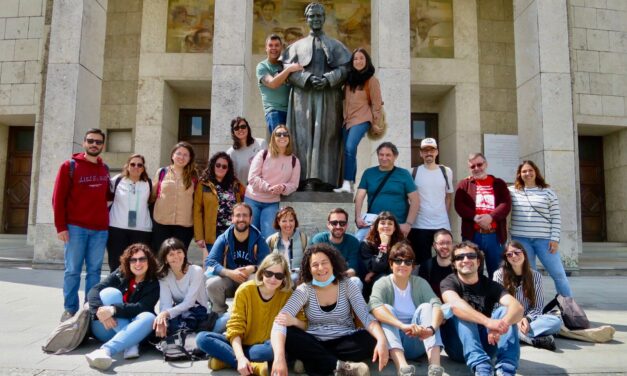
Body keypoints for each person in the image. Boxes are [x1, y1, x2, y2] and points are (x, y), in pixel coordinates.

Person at [270, 243, 389, 376]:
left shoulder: (347, 284)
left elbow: (366, 317)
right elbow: (278, 322)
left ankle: (312, 361)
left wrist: (381, 340)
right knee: (289, 333)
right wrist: (279, 359)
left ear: (333, 263)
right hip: (314, 340)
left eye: (324, 262)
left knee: (371, 339)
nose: (320, 268)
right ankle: (341, 367)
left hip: (344, 341)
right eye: (315, 265)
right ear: (309, 269)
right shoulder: (304, 290)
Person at [280, 2, 352, 189]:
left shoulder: (336, 45)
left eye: (319, 16)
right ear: (307, 19)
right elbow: (286, 71)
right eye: (312, 16)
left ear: (324, 18)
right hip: (302, 99)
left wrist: (329, 79)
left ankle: (327, 181)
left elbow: (346, 68)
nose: (315, 19)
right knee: (301, 137)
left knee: (327, 136)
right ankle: (302, 180)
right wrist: (306, 78)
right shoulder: (295, 47)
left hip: (328, 98)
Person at [196, 253, 306, 374]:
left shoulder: (288, 294)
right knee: (202, 339)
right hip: (242, 341)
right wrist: (240, 357)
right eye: (269, 273)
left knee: (271, 351)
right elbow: (235, 328)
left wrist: (294, 321)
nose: (273, 279)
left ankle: (225, 360)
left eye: (279, 275)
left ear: (284, 277)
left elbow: (304, 324)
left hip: (266, 346)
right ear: (262, 272)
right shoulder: (245, 290)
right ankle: (252, 366)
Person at [53, 128, 111, 322]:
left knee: (94, 272)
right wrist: (60, 226)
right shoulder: (69, 166)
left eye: (98, 142)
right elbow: (58, 198)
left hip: (100, 229)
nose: (94, 144)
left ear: (103, 145)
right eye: (91, 141)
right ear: (84, 143)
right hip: (76, 227)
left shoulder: (105, 169)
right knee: (72, 270)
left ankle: (90, 309)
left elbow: (107, 197)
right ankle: (70, 309)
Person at [441, 241, 523, 376]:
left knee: (504, 311)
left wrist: (501, 325)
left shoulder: (490, 284)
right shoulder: (449, 282)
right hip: (458, 346)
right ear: (454, 264)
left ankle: (506, 369)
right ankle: (482, 369)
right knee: (460, 310)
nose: (465, 260)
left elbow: (517, 308)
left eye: (470, 256)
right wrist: (488, 322)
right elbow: (455, 304)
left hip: (488, 344)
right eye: (460, 257)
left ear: (478, 262)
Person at [369, 242, 445, 376]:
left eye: (408, 262)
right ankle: (403, 369)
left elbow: (437, 305)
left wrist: (431, 329)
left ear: (412, 266)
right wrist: (402, 325)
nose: (403, 265)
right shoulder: (382, 283)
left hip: (419, 339)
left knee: (427, 307)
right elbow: (375, 307)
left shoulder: (419, 283)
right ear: (391, 264)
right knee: (385, 308)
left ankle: (435, 368)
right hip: (394, 341)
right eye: (398, 261)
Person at [84, 243, 159, 370]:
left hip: (137, 329)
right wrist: (101, 311)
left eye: (142, 259)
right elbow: (94, 290)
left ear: (149, 261)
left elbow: (141, 307)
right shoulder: (121, 273)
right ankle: (130, 344)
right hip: (107, 327)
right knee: (110, 293)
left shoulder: (154, 282)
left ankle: (105, 351)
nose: (138, 263)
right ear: (127, 262)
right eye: (133, 260)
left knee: (149, 317)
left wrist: (113, 310)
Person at [509, 160, 572, 297]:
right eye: (524, 171)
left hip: (545, 240)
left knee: (559, 274)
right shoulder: (512, 191)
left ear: (536, 172)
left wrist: (555, 239)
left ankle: (570, 309)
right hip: (521, 240)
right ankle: (534, 306)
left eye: (530, 170)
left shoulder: (548, 193)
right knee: (529, 276)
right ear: (519, 174)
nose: (527, 173)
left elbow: (556, 217)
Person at [493, 241, 562, 351]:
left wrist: (526, 319)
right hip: (507, 318)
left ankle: (517, 335)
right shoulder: (499, 275)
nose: (514, 256)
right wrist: (517, 319)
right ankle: (531, 339)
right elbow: (497, 306)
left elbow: (538, 307)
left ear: (524, 254)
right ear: (506, 258)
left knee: (556, 322)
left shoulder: (536, 276)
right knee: (499, 322)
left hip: (529, 320)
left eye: (517, 252)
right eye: (509, 254)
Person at [205, 203, 271, 315]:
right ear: (232, 218)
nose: (241, 219)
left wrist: (253, 268)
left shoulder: (259, 239)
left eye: (245, 215)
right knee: (212, 284)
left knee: (254, 281)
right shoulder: (224, 238)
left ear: (250, 219)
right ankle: (219, 314)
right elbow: (210, 262)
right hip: (230, 279)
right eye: (238, 215)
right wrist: (229, 273)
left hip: (249, 278)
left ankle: (249, 314)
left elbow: (269, 264)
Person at [454, 152, 511, 278]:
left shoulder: (499, 183)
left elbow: (506, 204)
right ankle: (476, 297)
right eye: (472, 166)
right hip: (472, 235)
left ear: (486, 164)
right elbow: (459, 205)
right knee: (472, 271)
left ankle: (496, 297)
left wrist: (491, 217)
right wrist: (475, 217)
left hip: (494, 236)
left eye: (479, 164)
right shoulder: (464, 184)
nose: (476, 168)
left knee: (498, 273)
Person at [334, 48, 382, 194]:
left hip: (362, 118)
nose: (358, 61)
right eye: (355, 59)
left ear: (366, 61)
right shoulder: (348, 80)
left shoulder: (371, 80)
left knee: (350, 147)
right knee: (349, 152)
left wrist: (376, 122)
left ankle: (348, 183)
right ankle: (350, 184)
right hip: (347, 120)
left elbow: (376, 103)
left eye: (361, 58)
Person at [354, 142, 420, 241]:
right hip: (373, 224)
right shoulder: (369, 173)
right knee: (358, 242)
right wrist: (358, 217)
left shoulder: (404, 174)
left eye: (388, 155)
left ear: (395, 156)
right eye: (381, 155)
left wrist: (408, 224)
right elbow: (359, 196)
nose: (384, 158)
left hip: (397, 225)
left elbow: (415, 200)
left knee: (395, 254)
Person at [245, 125, 300, 239]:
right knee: (248, 236)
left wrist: (283, 187)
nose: (282, 136)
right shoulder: (263, 154)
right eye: (278, 134)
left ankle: (265, 258)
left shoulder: (294, 160)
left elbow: (294, 184)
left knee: (269, 237)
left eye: (285, 134)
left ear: (289, 138)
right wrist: (268, 187)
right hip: (253, 199)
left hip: (272, 203)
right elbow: (252, 177)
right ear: (273, 138)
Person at [408, 138, 454, 265]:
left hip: (441, 224)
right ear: (420, 153)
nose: (429, 153)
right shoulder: (413, 172)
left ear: (437, 152)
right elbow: (409, 198)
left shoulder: (446, 171)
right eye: (425, 150)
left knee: (446, 261)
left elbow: (448, 197)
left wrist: (443, 215)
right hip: (419, 225)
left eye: (432, 150)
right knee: (422, 263)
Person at [153, 238, 210, 338]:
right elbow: (165, 303)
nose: (176, 257)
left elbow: (190, 302)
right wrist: (163, 319)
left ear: (184, 254)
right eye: (171, 254)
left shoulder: (196, 271)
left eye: (179, 252)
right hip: (180, 314)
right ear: (165, 259)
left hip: (199, 314)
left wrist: (165, 313)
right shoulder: (164, 276)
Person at [194, 152, 245, 261]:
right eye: (218, 165)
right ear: (212, 165)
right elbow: (197, 211)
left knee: (233, 263)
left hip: (233, 231)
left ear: (228, 169)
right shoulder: (203, 184)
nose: (221, 168)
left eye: (224, 166)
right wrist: (199, 236)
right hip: (212, 233)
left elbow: (246, 200)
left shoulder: (235, 184)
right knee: (216, 264)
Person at [107, 154, 152, 272]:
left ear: (143, 168)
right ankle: (117, 289)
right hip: (117, 228)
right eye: (132, 164)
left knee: (139, 265)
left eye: (139, 165)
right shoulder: (117, 180)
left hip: (141, 230)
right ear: (127, 166)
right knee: (116, 264)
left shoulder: (149, 183)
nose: (136, 167)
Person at [151, 141, 197, 253]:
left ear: (190, 158)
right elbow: (152, 195)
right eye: (179, 153)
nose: (182, 157)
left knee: (179, 257)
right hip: (161, 223)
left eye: (186, 155)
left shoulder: (194, 176)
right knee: (161, 256)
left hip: (184, 225)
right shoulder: (162, 172)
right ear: (172, 155)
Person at [256, 34, 303, 133]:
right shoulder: (262, 66)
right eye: (270, 45)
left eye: (277, 45)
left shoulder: (285, 64)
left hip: (292, 113)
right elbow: (273, 84)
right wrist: (289, 69)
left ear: (281, 47)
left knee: (291, 146)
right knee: (279, 143)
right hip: (275, 112)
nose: (273, 48)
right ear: (266, 48)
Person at [310, 208, 363, 290]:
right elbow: (315, 266)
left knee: (356, 281)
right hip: (322, 278)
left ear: (346, 225)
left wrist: (337, 276)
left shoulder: (353, 242)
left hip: (343, 279)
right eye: (334, 223)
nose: (338, 226)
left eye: (342, 223)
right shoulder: (319, 240)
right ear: (328, 224)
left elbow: (353, 269)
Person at [359, 211, 404, 300]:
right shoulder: (367, 244)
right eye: (382, 223)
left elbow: (401, 265)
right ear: (376, 227)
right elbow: (377, 267)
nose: (386, 226)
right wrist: (384, 245)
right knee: (383, 278)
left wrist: (373, 272)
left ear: (394, 228)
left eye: (390, 224)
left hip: (396, 277)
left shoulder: (401, 244)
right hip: (375, 282)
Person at [265, 206, 308, 285]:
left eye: (291, 220)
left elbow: (308, 263)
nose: (288, 224)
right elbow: (265, 264)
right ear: (278, 222)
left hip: (297, 279)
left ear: (295, 221)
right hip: (277, 277)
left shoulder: (304, 238)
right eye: (284, 221)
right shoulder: (271, 240)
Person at [226, 117, 267, 186]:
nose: (240, 130)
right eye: (236, 128)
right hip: (243, 192)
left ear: (248, 128)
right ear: (233, 132)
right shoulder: (230, 153)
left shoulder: (261, 143)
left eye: (243, 126)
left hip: (262, 190)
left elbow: (269, 166)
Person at [415, 229, 454, 299]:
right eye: (441, 243)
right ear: (434, 245)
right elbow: (422, 293)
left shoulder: (459, 266)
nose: (445, 246)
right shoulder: (426, 267)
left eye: (448, 243)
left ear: (452, 245)